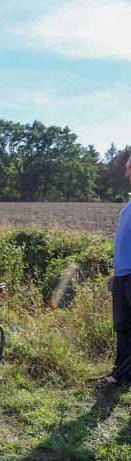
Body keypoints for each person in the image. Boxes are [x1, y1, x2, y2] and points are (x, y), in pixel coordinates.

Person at [107, 153, 131, 387]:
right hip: (123, 275)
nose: (126, 174)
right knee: (122, 326)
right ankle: (121, 374)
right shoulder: (129, 204)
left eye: (130, 168)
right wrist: (117, 270)